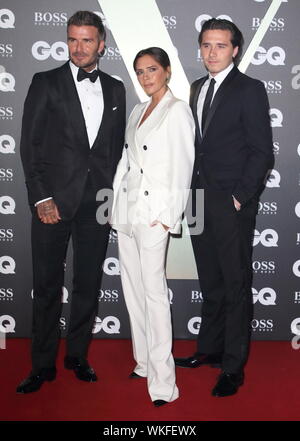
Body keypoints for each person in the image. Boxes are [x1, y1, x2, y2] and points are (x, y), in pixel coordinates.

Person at [17, 10, 125, 394]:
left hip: (96, 203)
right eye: (73, 40)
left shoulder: (115, 89)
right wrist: (41, 198)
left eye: (86, 40)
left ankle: (77, 356)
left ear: (101, 44)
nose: (78, 48)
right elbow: (28, 146)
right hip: (53, 203)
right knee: (46, 286)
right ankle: (41, 364)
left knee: (88, 284)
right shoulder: (45, 82)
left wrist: (113, 197)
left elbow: (114, 153)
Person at [175, 18, 273, 397]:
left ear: (235, 50)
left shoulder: (250, 89)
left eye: (220, 45)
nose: (211, 52)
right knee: (211, 283)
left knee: (234, 285)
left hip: (230, 203)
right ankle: (209, 349)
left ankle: (233, 366)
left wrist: (238, 198)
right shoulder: (197, 88)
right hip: (198, 199)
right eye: (206, 45)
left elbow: (261, 151)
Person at [111, 47, 195, 406]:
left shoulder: (177, 111)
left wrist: (167, 215)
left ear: (167, 71)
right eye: (141, 72)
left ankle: (164, 384)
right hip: (128, 213)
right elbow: (126, 162)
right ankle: (144, 361)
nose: (146, 77)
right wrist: (115, 208)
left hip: (154, 214)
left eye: (152, 70)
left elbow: (184, 167)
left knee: (154, 295)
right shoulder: (135, 110)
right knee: (132, 291)